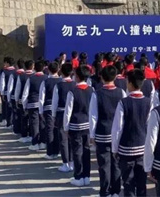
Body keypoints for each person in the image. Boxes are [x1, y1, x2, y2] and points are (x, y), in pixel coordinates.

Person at [111, 69, 151, 197]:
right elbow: (150, 127)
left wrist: (114, 148)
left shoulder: (123, 103)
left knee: (128, 182)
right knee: (141, 182)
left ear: (130, 83)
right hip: (142, 147)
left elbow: (117, 128)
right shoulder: (148, 102)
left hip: (126, 148)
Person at [90, 65, 126, 197]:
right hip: (117, 134)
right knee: (116, 164)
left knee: (104, 165)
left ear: (102, 77)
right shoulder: (121, 93)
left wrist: (92, 135)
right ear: (115, 77)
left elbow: (93, 116)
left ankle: (105, 192)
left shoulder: (97, 94)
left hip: (102, 133)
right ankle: (116, 190)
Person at [63, 65, 95, 187]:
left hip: (75, 125)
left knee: (77, 151)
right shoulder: (91, 90)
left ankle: (78, 176)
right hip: (87, 125)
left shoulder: (73, 91)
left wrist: (65, 127)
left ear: (77, 76)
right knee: (86, 151)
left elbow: (68, 111)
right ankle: (87, 176)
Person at [51, 62, 76, 173]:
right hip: (74, 114)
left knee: (63, 139)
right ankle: (72, 162)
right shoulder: (75, 84)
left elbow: (54, 102)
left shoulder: (59, 85)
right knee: (72, 139)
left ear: (61, 71)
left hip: (61, 113)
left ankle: (65, 163)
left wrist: (53, 116)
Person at [22, 60, 47, 151]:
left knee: (34, 124)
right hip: (43, 104)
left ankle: (35, 143)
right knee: (42, 123)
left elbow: (25, 93)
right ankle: (43, 142)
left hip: (32, 103)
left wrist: (24, 104)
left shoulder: (31, 78)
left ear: (34, 68)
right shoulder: (46, 78)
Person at [39, 61, 61, 160]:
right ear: (58, 69)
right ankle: (57, 150)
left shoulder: (45, 82)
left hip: (48, 108)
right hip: (59, 109)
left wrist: (41, 111)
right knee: (57, 129)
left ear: (48, 70)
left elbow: (41, 98)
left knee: (50, 130)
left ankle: (50, 152)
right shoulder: (61, 81)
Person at [14, 60, 35, 143]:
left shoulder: (21, 76)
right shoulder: (35, 76)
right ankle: (31, 135)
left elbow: (18, 89)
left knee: (24, 118)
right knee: (32, 119)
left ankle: (24, 135)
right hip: (33, 101)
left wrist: (16, 99)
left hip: (22, 100)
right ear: (32, 66)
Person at [0, 57, 16, 126]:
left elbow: (0, 82)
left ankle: (5, 120)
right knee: (12, 107)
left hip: (5, 92)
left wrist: (0, 91)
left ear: (7, 63)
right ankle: (12, 121)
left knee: (5, 106)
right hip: (13, 92)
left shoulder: (3, 71)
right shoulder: (16, 71)